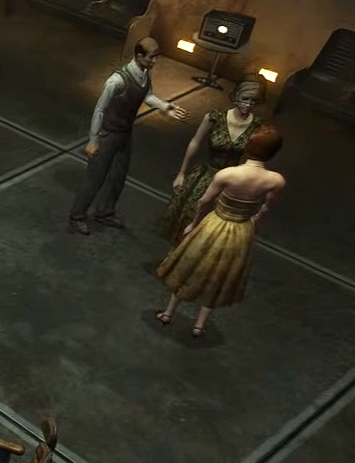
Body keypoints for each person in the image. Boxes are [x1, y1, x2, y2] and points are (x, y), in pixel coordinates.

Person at [154, 125, 286, 338]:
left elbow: (204, 202)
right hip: (241, 230)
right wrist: (254, 221)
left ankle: (169, 313)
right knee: (219, 276)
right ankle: (199, 325)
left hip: (214, 224)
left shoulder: (228, 174)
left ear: (248, 146)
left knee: (189, 267)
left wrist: (194, 224)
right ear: (273, 152)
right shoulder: (275, 180)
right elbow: (267, 207)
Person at [69, 37, 190, 235]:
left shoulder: (144, 74)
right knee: (95, 178)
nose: (154, 61)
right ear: (139, 56)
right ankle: (77, 216)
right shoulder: (117, 81)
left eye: (157, 57)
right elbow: (100, 109)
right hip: (108, 134)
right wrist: (93, 140)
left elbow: (147, 95)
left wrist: (165, 106)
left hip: (125, 134)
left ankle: (105, 212)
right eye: (151, 57)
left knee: (118, 176)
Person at [158, 77, 265, 244]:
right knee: (190, 212)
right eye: (245, 99)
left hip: (230, 181)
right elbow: (195, 142)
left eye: (254, 101)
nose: (249, 104)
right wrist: (181, 173)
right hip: (205, 174)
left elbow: (254, 158)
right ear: (236, 96)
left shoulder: (257, 126)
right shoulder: (215, 117)